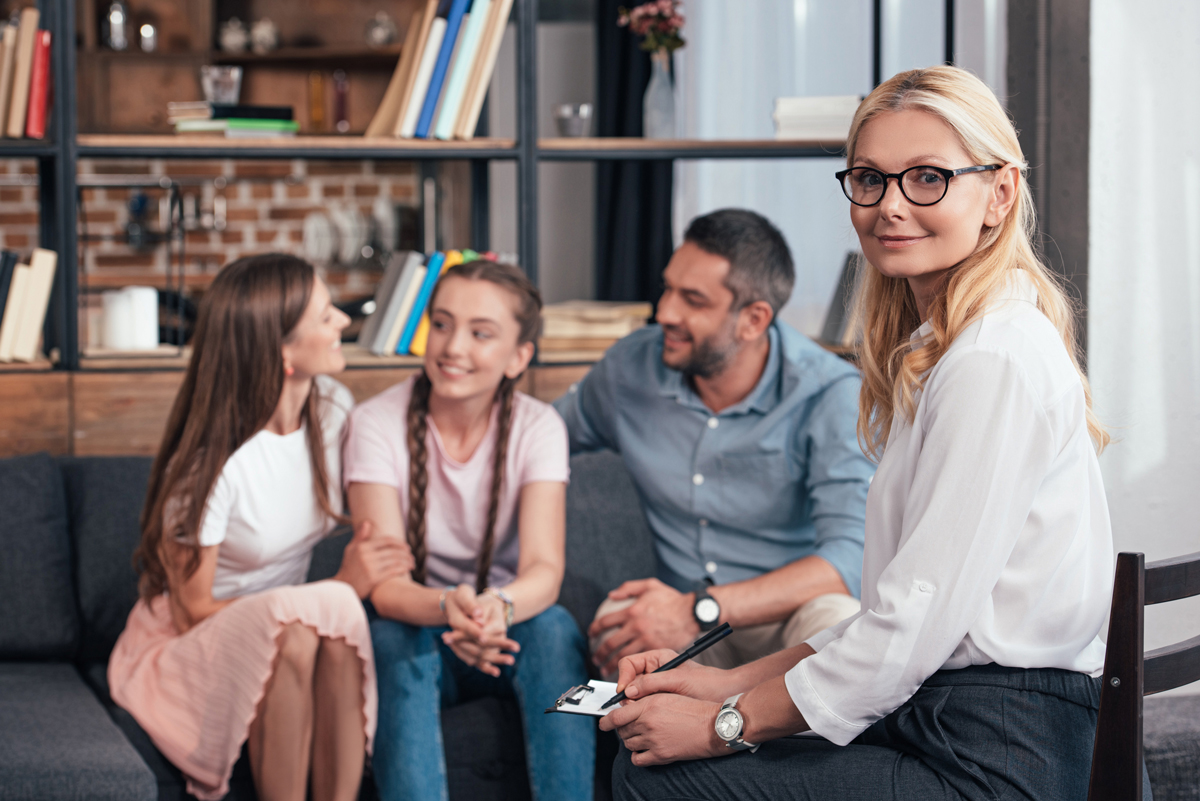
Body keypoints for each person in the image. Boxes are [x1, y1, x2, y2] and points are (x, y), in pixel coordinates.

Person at [601, 65, 1117, 801]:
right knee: (653, 756)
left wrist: (724, 723)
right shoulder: (950, 349)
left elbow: (908, 629)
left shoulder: (991, 359)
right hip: (952, 716)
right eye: (871, 180)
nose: (890, 206)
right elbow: (891, 618)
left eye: (928, 178)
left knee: (661, 777)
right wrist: (720, 682)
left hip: (998, 752)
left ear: (999, 193)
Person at [109, 254, 412, 801]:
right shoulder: (209, 468)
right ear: (282, 350)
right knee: (304, 626)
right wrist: (338, 588)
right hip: (191, 644)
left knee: (322, 626)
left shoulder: (332, 409)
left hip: (293, 625)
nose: (343, 322)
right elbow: (191, 612)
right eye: (325, 315)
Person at [554, 208, 874, 678]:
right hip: (687, 623)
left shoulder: (830, 394)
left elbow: (849, 560)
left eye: (693, 300)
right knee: (617, 624)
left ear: (753, 320)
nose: (664, 312)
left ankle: (755, 719)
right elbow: (540, 438)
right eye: (667, 288)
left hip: (788, 617)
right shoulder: (630, 369)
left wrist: (701, 607)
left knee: (842, 624)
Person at [344, 260, 595, 801]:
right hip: (422, 621)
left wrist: (495, 609)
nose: (453, 346)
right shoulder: (374, 423)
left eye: (481, 333)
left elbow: (544, 569)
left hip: (504, 627)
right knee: (389, 637)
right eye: (441, 324)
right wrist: (447, 607)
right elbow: (385, 586)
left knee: (554, 629)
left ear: (518, 356)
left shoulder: (539, 427)